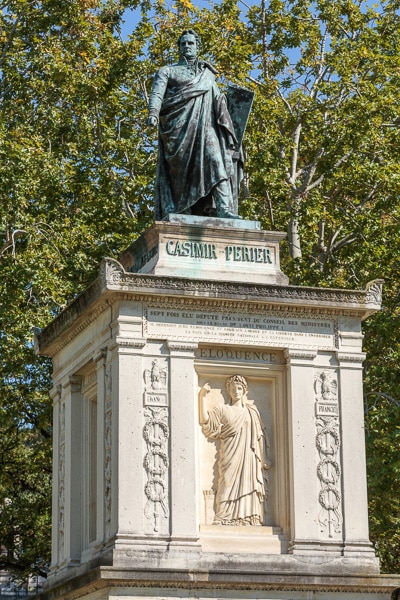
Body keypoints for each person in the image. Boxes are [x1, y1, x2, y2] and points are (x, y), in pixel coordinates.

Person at [147, 30, 241, 220]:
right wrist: (153, 113)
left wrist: (232, 120)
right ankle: (182, 210)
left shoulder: (207, 75)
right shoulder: (168, 71)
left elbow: (218, 100)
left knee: (216, 161)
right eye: (183, 44)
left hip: (207, 128)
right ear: (179, 48)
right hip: (179, 129)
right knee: (182, 173)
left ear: (197, 46)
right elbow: (157, 94)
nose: (187, 47)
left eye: (191, 43)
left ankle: (224, 208)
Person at [199, 375, 270, 525]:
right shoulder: (222, 409)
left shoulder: (251, 411)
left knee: (248, 482)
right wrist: (202, 396)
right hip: (230, 454)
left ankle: (250, 517)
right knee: (227, 481)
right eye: (232, 389)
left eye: (239, 388)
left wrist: (263, 458)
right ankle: (223, 516)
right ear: (228, 391)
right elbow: (205, 420)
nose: (236, 391)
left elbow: (259, 436)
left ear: (244, 391)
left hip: (249, 456)